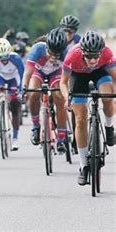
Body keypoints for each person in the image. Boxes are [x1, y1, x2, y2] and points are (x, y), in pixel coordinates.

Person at [59, 31, 115, 185]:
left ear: (101, 52)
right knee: (81, 119)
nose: (93, 60)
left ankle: (109, 127)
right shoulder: (72, 55)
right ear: (82, 52)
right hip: (79, 77)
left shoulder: (107, 54)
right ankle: (83, 166)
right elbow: (63, 82)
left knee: (108, 97)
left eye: (96, 55)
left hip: (101, 74)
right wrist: (66, 98)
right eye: (89, 56)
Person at [22, 28, 68, 153]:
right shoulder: (38, 49)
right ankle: (36, 126)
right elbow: (27, 73)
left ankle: (62, 138)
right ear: (46, 47)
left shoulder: (66, 53)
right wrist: (24, 89)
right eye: (50, 53)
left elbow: (68, 77)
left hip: (56, 73)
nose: (53, 57)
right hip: (39, 72)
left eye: (56, 55)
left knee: (59, 97)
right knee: (34, 93)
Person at [0, 38, 24, 150]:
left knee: (15, 105)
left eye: (5, 56)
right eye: (0, 57)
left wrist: (20, 91)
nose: (4, 59)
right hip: (0, 77)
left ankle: (15, 138)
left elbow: (22, 76)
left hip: (13, 78)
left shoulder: (16, 58)